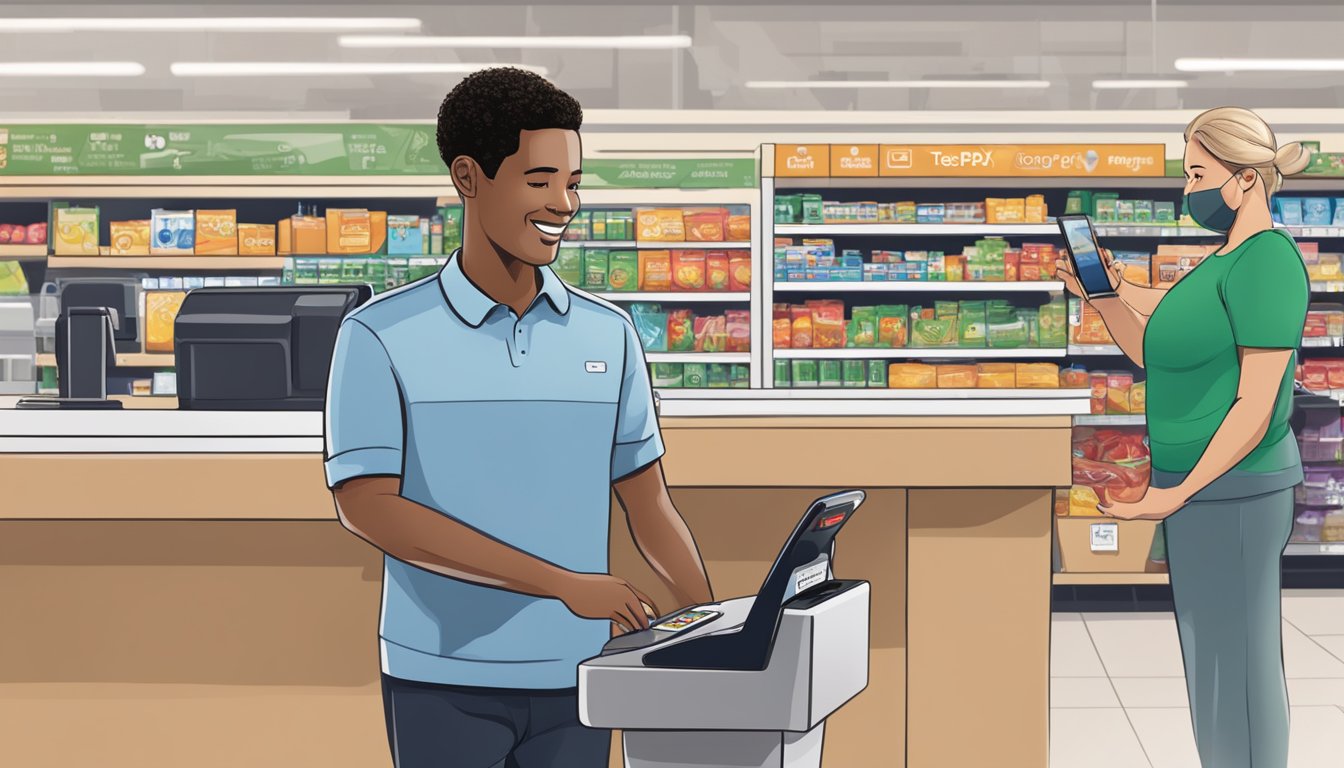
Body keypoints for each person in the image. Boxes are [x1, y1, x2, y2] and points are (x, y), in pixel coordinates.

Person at [323, 67, 715, 768]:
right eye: (540, 182)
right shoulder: (379, 336)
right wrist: (564, 585)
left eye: (573, 182)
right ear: (469, 178)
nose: (564, 204)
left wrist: (713, 635)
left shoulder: (608, 334)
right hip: (440, 678)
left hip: (581, 677)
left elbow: (649, 504)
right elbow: (370, 510)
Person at [1056, 106, 1311, 768]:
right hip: (1199, 492)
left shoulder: (1267, 261)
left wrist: (1177, 494)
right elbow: (1153, 351)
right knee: (1211, 663)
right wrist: (1105, 298)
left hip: (1237, 490)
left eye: (1200, 172)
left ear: (1246, 179)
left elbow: (1256, 404)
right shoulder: (1220, 259)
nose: (1189, 189)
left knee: (1240, 668)